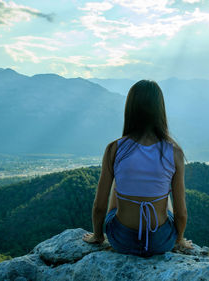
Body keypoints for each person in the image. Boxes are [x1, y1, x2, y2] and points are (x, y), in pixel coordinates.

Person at [82, 79, 193, 257]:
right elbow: (181, 213)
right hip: (161, 241)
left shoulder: (115, 149)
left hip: (121, 240)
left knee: (119, 184)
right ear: (160, 110)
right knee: (166, 191)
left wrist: (97, 235)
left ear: (130, 109)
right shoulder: (174, 152)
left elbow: (99, 206)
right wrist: (178, 239)